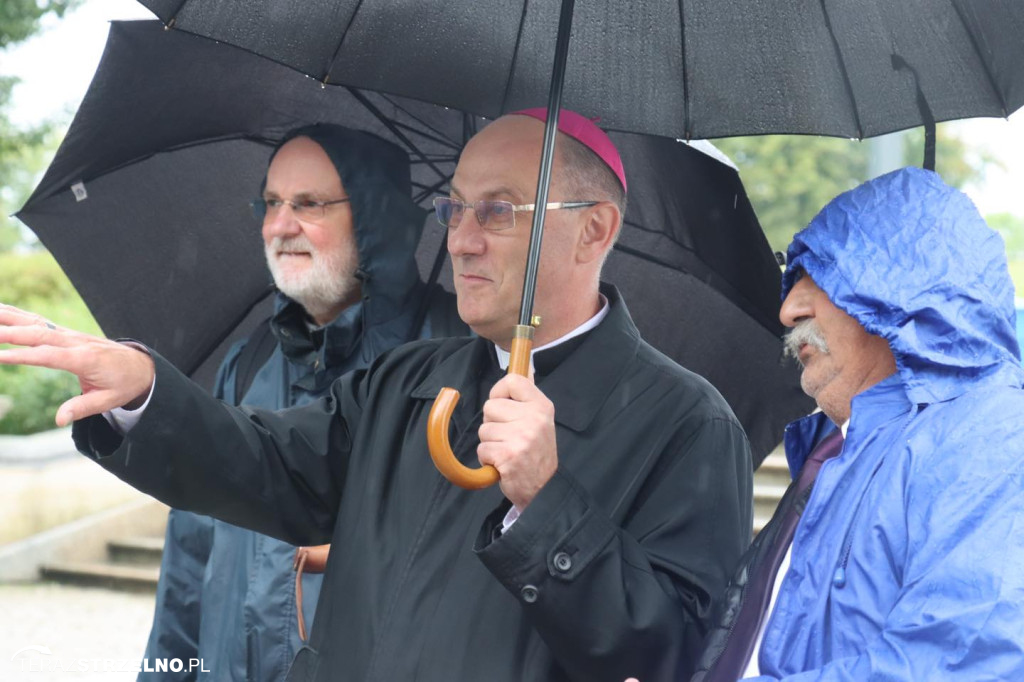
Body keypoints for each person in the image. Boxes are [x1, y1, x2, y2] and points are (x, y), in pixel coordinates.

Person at [0, 109, 752, 682]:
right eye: (454, 208)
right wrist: (147, 393)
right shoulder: (409, 379)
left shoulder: (688, 425)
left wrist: (546, 503)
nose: (460, 240)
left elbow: (672, 651)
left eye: (498, 210)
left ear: (595, 231)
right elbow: (270, 465)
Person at [143, 123, 468, 681]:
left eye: (309, 204)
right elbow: (189, 563)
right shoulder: (247, 363)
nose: (279, 226)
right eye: (271, 203)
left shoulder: (458, 362)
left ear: (375, 218)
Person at [690, 167, 1024, 680]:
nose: (788, 308)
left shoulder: (992, 438)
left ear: (897, 283)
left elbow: (963, 661)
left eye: (817, 275)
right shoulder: (833, 448)